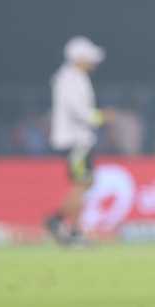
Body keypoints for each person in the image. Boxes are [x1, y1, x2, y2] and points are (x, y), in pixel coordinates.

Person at [46, 36, 109, 245]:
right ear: (79, 58)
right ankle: (72, 228)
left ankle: (59, 221)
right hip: (76, 140)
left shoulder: (73, 77)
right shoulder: (70, 79)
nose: (93, 62)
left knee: (84, 183)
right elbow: (77, 110)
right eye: (89, 57)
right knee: (81, 184)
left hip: (80, 139)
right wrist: (101, 117)